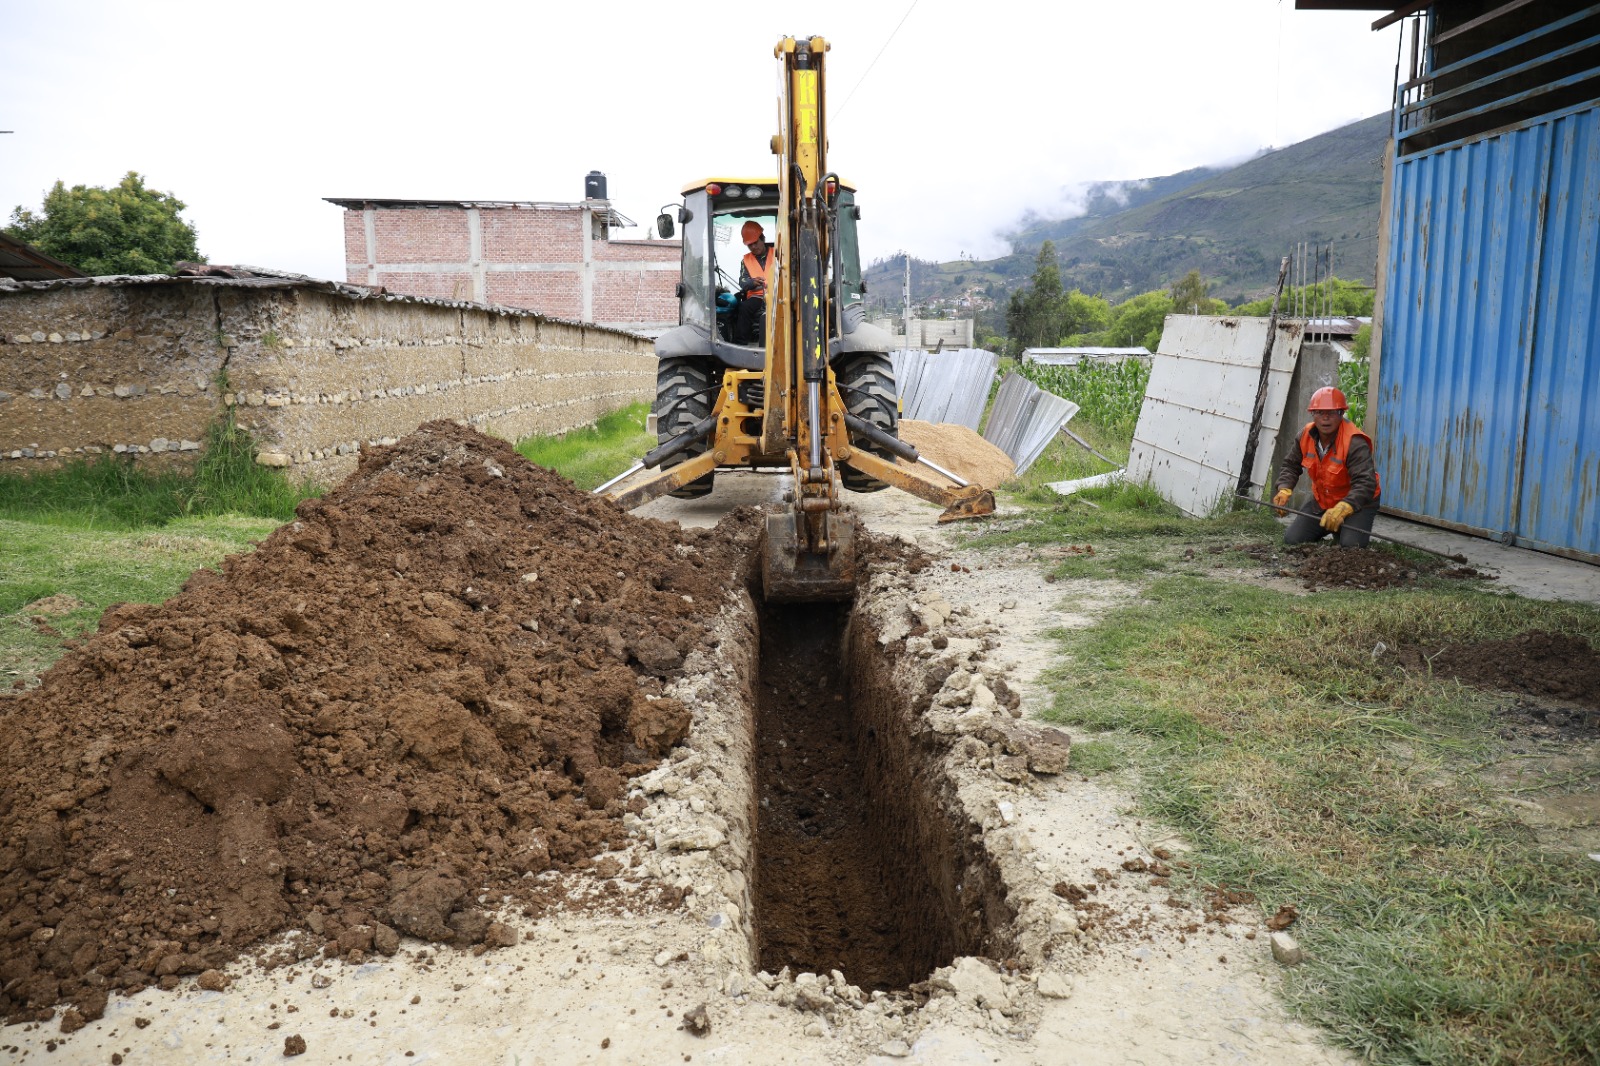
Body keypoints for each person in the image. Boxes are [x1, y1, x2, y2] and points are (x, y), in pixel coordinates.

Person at [1271, 386, 1382, 548]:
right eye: (1320, 413)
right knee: (1292, 539)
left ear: (1341, 414)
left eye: (1331, 413)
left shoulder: (1354, 441)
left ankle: (1345, 527)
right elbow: (1291, 464)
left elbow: (1366, 483)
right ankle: (1336, 527)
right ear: (1312, 414)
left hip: (1357, 503)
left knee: (1351, 545)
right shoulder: (1305, 435)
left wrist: (1345, 507)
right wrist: (1284, 488)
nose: (1325, 418)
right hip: (1323, 501)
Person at [734, 220, 772, 345]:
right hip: (757, 297)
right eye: (750, 245)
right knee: (744, 307)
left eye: (756, 243)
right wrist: (752, 283)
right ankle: (741, 344)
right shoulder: (746, 260)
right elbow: (743, 281)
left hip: (778, 294)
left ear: (763, 239)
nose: (754, 247)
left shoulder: (778, 253)